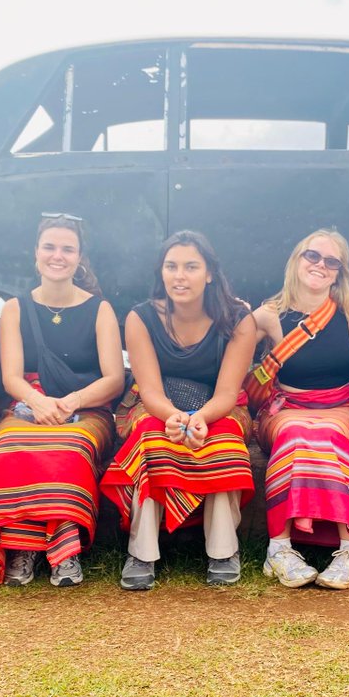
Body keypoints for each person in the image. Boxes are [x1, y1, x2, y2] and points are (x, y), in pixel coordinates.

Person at [0, 213, 124, 587]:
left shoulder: (99, 309)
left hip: (86, 407)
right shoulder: (15, 309)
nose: (58, 256)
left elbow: (114, 378)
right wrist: (38, 402)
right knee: (9, 444)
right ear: (35, 253)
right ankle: (22, 547)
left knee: (71, 445)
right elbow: (11, 377)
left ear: (80, 257)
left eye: (67, 249)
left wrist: (70, 402)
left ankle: (63, 547)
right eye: (49, 247)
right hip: (28, 403)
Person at [101, 230, 257, 590]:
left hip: (219, 405)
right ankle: (141, 551)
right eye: (171, 266)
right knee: (151, 437)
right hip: (158, 403)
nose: (179, 276)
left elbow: (228, 392)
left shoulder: (237, 319)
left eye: (190, 267)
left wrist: (200, 418)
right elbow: (150, 389)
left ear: (209, 273)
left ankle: (222, 549)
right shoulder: (141, 318)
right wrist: (172, 416)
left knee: (224, 440)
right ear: (161, 272)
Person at [250, 230, 349, 589]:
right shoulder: (268, 315)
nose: (320, 265)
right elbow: (227, 353)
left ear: (340, 271)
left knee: (325, 434)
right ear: (296, 259)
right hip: (286, 408)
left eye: (331, 261)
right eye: (312, 256)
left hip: (342, 408)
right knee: (296, 434)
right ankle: (279, 549)